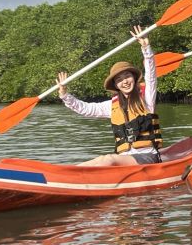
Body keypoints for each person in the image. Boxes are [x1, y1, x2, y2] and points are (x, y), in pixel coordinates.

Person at [56, 25, 163, 166]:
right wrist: (65, 95)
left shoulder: (147, 97)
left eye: (127, 76)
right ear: (116, 85)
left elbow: (151, 76)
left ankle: (68, 174)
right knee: (99, 160)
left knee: (106, 159)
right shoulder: (112, 106)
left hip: (147, 157)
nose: (125, 82)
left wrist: (146, 48)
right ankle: (67, 172)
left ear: (134, 78)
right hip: (124, 158)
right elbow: (86, 109)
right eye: (119, 80)